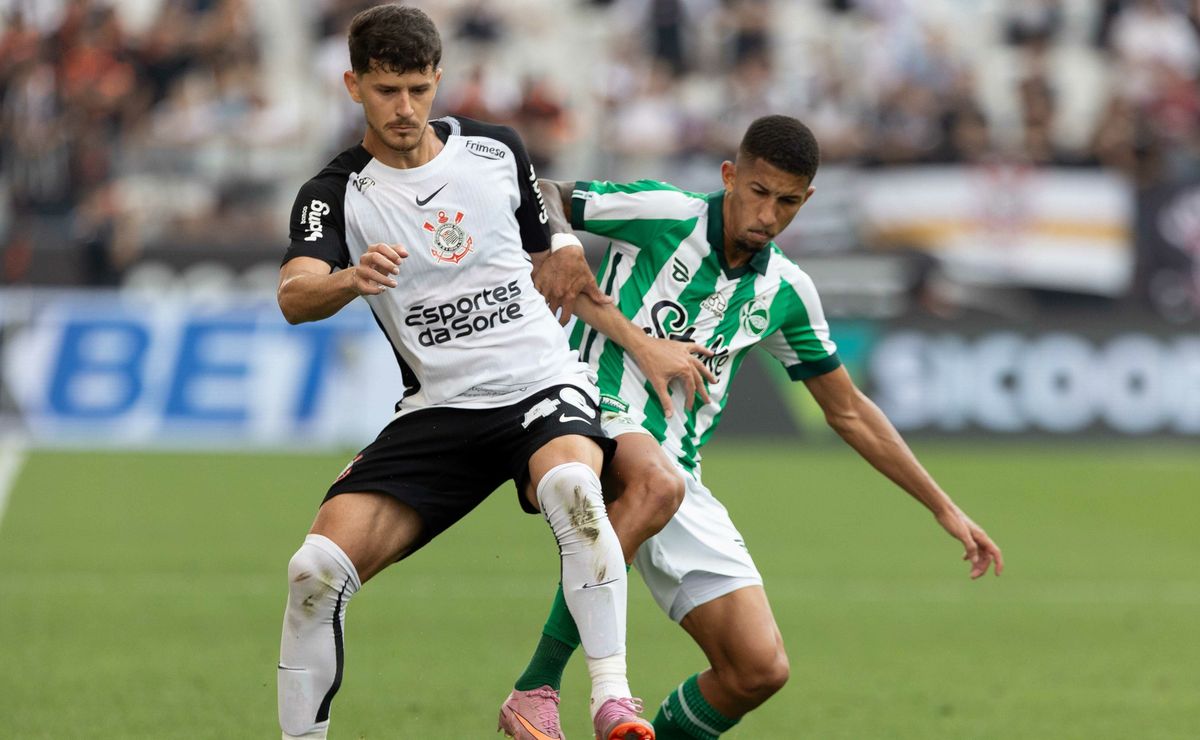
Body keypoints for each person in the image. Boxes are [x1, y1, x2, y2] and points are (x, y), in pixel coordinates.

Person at [499, 115, 1004, 739]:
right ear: (729, 176)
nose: (768, 214)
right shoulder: (666, 212)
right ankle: (540, 684)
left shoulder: (786, 290)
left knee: (757, 668)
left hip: (676, 463)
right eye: (759, 192)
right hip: (592, 407)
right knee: (656, 486)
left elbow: (848, 410)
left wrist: (943, 508)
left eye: (787, 201)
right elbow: (538, 191)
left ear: (807, 200)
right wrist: (586, 275)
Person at [275, 6, 664, 739]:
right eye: (387, 90)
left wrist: (572, 255)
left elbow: (556, 252)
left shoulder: (494, 152)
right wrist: (350, 279)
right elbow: (295, 295)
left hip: (540, 384)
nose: (405, 108)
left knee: (574, 489)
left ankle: (610, 698)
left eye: (419, 89)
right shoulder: (334, 195)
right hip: (439, 409)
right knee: (314, 571)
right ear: (352, 83)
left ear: (439, 80)